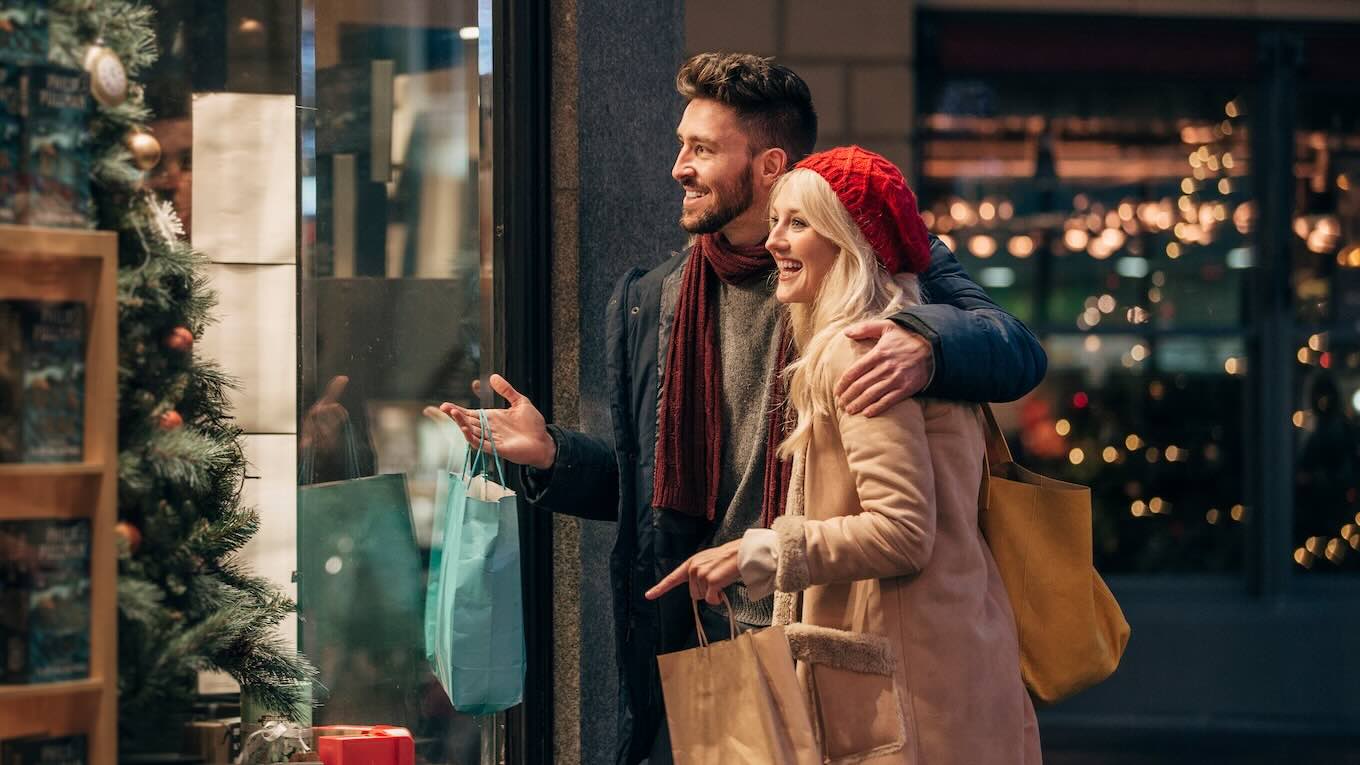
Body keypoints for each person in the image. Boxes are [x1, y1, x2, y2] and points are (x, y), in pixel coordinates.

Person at [441, 53, 1046, 765]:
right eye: (679, 144)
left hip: (840, 636)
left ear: (768, 165)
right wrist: (551, 455)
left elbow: (1015, 349)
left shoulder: (875, 271)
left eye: (701, 149)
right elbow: (654, 490)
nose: (678, 167)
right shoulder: (656, 300)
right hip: (721, 640)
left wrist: (923, 342)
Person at [648, 146, 1041, 763]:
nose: (774, 241)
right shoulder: (901, 332)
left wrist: (759, 551)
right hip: (946, 670)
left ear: (852, 242)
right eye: (776, 220)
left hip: (913, 701)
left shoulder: (860, 348)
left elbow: (903, 532)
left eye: (798, 223)